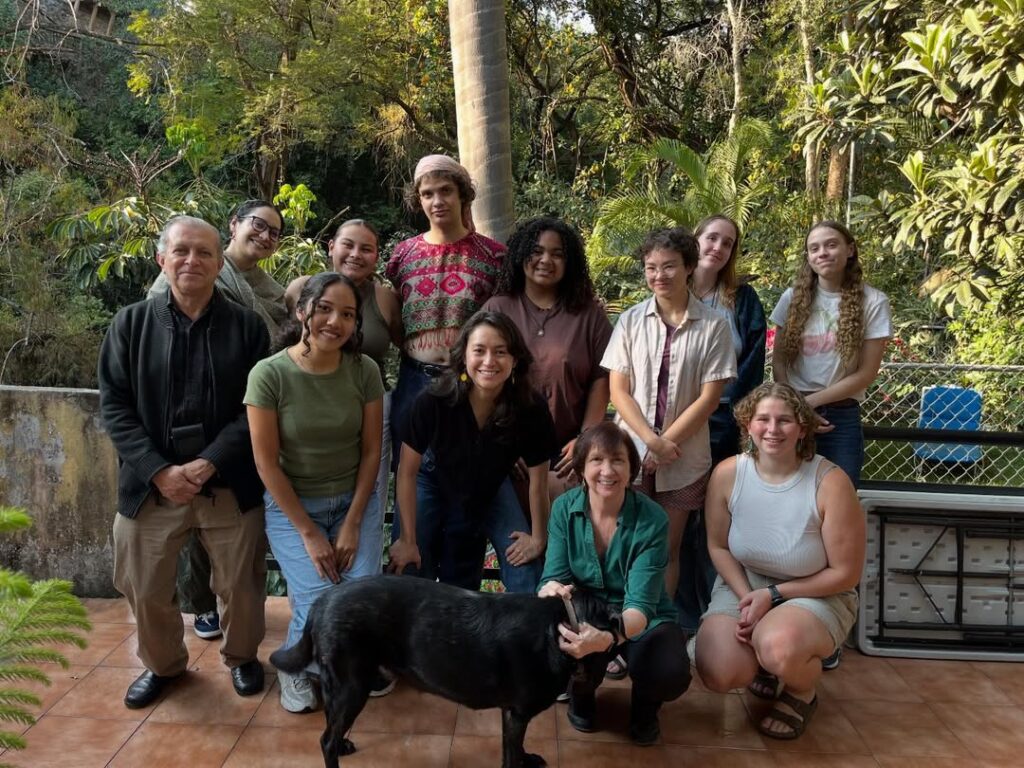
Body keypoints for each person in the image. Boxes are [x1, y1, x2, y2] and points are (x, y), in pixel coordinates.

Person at [98, 215, 269, 709]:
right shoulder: (129, 324)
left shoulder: (247, 326)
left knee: (241, 584)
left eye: (203, 253)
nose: (191, 260)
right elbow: (114, 406)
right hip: (150, 484)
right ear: (162, 259)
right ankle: (164, 666)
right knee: (143, 585)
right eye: (181, 251)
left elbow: (254, 410)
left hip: (228, 481)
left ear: (220, 263)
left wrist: (209, 462)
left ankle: (242, 658)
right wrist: (158, 470)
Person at [245, 272, 387, 713]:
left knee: (361, 592)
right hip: (293, 507)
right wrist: (309, 533)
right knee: (316, 597)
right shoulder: (269, 374)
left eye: (347, 314)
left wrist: (352, 523)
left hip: (351, 502)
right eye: (324, 309)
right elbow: (266, 463)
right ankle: (298, 668)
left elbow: (371, 454)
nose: (335, 322)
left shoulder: (364, 370)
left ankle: (347, 665)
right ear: (302, 310)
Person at [150, 199, 288, 641]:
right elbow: (159, 322)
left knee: (235, 518)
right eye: (258, 225)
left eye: (274, 232)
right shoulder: (197, 267)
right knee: (193, 512)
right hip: (190, 405)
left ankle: (240, 623)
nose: (265, 235)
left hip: (248, 408)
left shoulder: (268, 287)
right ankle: (202, 604)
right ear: (234, 225)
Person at [694, 383, 865, 740]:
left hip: (816, 591)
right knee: (718, 671)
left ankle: (801, 689)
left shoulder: (830, 481)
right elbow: (719, 547)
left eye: (785, 420)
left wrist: (772, 596)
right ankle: (764, 665)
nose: (773, 429)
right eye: (763, 419)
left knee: (779, 647)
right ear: (747, 426)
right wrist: (747, 598)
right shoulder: (728, 473)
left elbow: (846, 573)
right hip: (745, 582)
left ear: (803, 427)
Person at [601, 227, 736, 600]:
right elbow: (618, 390)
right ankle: (619, 627)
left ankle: (654, 627)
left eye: (669, 266)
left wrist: (666, 444)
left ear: (690, 267)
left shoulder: (714, 325)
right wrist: (650, 442)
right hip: (630, 453)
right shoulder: (629, 320)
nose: (659, 275)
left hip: (684, 457)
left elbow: (710, 398)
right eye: (650, 267)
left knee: (666, 548)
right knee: (624, 543)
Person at [538, 421, 691, 746]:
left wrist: (608, 638)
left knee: (668, 670)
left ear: (632, 468)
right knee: (558, 626)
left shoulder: (652, 519)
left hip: (643, 618)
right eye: (597, 460)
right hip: (588, 610)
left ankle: (645, 708)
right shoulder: (564, 508)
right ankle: (581, 692)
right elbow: (554, 575)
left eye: (618, 460)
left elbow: (640, 606)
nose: (607, 470)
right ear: (580, 467)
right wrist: (549, 591)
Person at [387, 311, 556, 593]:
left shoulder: (530, 408)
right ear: (464, 356)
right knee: (410, 565)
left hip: (490, 484)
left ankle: (520, 635)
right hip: (431, 478)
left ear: (515, 360)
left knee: (525, 570)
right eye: (479, 351)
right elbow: (406, 471)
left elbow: (538, 483)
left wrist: (538, 538)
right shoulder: (434, 400)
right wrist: (406, 538)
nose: (489, 361)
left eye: (500, 352)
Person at [285, 219, 403, 556]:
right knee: (306, 484)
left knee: (373, 490)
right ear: (331, 247)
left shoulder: (384, 299)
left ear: (377, 257)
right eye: (347, 245)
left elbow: (410, 348)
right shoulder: (301, 289)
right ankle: (311, 564)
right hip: (306, 409)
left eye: (366, 248)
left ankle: (359, 566)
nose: (356, 254)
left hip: (370, 409)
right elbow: (282, 342)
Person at [385, 155, 505, 473]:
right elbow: (395, 316)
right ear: (418, 199)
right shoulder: (403, 255)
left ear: (462, 194)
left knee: (468, 474)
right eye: (427, 194)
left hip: (467, 381)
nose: (437, 201)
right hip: (414, 379)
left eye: (445, 191)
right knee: (412, 478)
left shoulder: (494, 256)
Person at [676, 214, 767, 632]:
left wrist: (736, 418)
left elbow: (751, 364)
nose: (718, 247)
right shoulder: (672, 287)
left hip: (723, 422)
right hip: (673, 422)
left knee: (714, 520)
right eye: (711, 237)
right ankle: (678, 616)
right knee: (674, 518)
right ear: (696, 240)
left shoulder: (742, 299)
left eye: (727, 243)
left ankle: (716, 615)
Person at [483, 217, 613, 499]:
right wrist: (499, 441)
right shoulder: (498, 308)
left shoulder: (589, 314)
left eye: (557, 254)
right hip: (509, 456)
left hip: (567, 455)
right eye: (537, 251)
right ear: (521, 255)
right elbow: (478, 378)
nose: (546, 260)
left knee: (563, 536)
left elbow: (602, 378)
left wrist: (586, 439)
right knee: (517, 540)